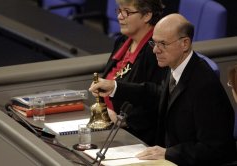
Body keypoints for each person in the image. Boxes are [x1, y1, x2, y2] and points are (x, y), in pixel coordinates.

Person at [89, 13, 237, 165]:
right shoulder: (175, 65)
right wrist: (115, 87)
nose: (155, 51)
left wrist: (168, 153)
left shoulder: (204, 85)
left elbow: (217, 149)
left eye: (163, 44)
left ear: (185, 43)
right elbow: (158, 93)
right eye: (154, 43)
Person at [93, 0, 167, 146]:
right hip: (109, 130)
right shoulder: (121, 41)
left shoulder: (156, 50)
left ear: (146, 15)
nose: (120, 16)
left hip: (137, 138)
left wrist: (124, 120)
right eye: (119, 11)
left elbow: (159, 97)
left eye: (127, 11)